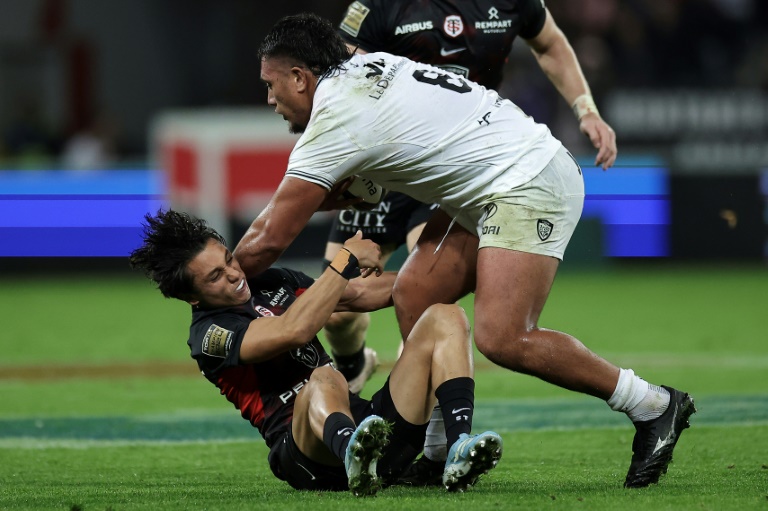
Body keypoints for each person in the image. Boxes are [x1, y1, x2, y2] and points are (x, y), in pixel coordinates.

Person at [233, 13, 696, 489]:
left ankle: (653, 405)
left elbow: (270, 236)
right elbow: (335, 187)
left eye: (272, 85)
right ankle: (436, 452)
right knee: (415, 291)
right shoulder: (356, 65)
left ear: (299, 77)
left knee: (503, 337)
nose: (271, 100)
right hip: (490, 177)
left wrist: (211, 290)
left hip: (525, 180)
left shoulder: (336, 115)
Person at [322, 0, 618, 397]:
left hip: (455, 168)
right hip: (383, 167)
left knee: (426, 300)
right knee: (336, 309)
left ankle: (421, 426)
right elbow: (340, 76)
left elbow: (551, 43)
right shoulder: (380, 6)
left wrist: (587, 110)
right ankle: (354, 364)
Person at [129, 209, 503, 496]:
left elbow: (359, 293)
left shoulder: (271, 281)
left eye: (228, 259)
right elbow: (294, 330)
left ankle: (457, 450)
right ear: (193, 296)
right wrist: (343, 261)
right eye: (214, 277)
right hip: (307, 456)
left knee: (445, 315)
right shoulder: (209, 334)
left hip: (371, 428)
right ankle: (352, 454)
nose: (233, 273)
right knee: (323, 377)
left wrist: (458, 277)